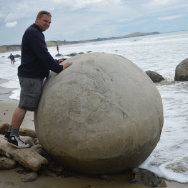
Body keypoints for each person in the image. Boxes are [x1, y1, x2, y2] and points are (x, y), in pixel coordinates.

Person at [4, 10, 72, 148]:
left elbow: (40, 55)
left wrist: (56, 61)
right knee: (23, 106)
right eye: (45, 21)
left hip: (31, 75)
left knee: (24, 104)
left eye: (49, 22)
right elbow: (43, 54)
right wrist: (58, 68)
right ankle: (13, 136)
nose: (47, 24)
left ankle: (11, 133)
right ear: (37, 19)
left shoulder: (35, 32)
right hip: (30, 76)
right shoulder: (34, 33)